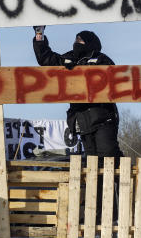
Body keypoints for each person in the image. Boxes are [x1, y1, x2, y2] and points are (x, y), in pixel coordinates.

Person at [32, 25, 122, 158]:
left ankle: (117, 178)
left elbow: (111, 79)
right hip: (82, 119)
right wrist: (39, 35)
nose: (76, 43)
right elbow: (46, 59)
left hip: (102, 118)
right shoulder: (70, 57)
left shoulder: (101, 59)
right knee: (92, 160)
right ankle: (96, 180)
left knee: (108, 154)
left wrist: (79, 70)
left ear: (90, 43)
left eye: (80, 40)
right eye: (75, 40)